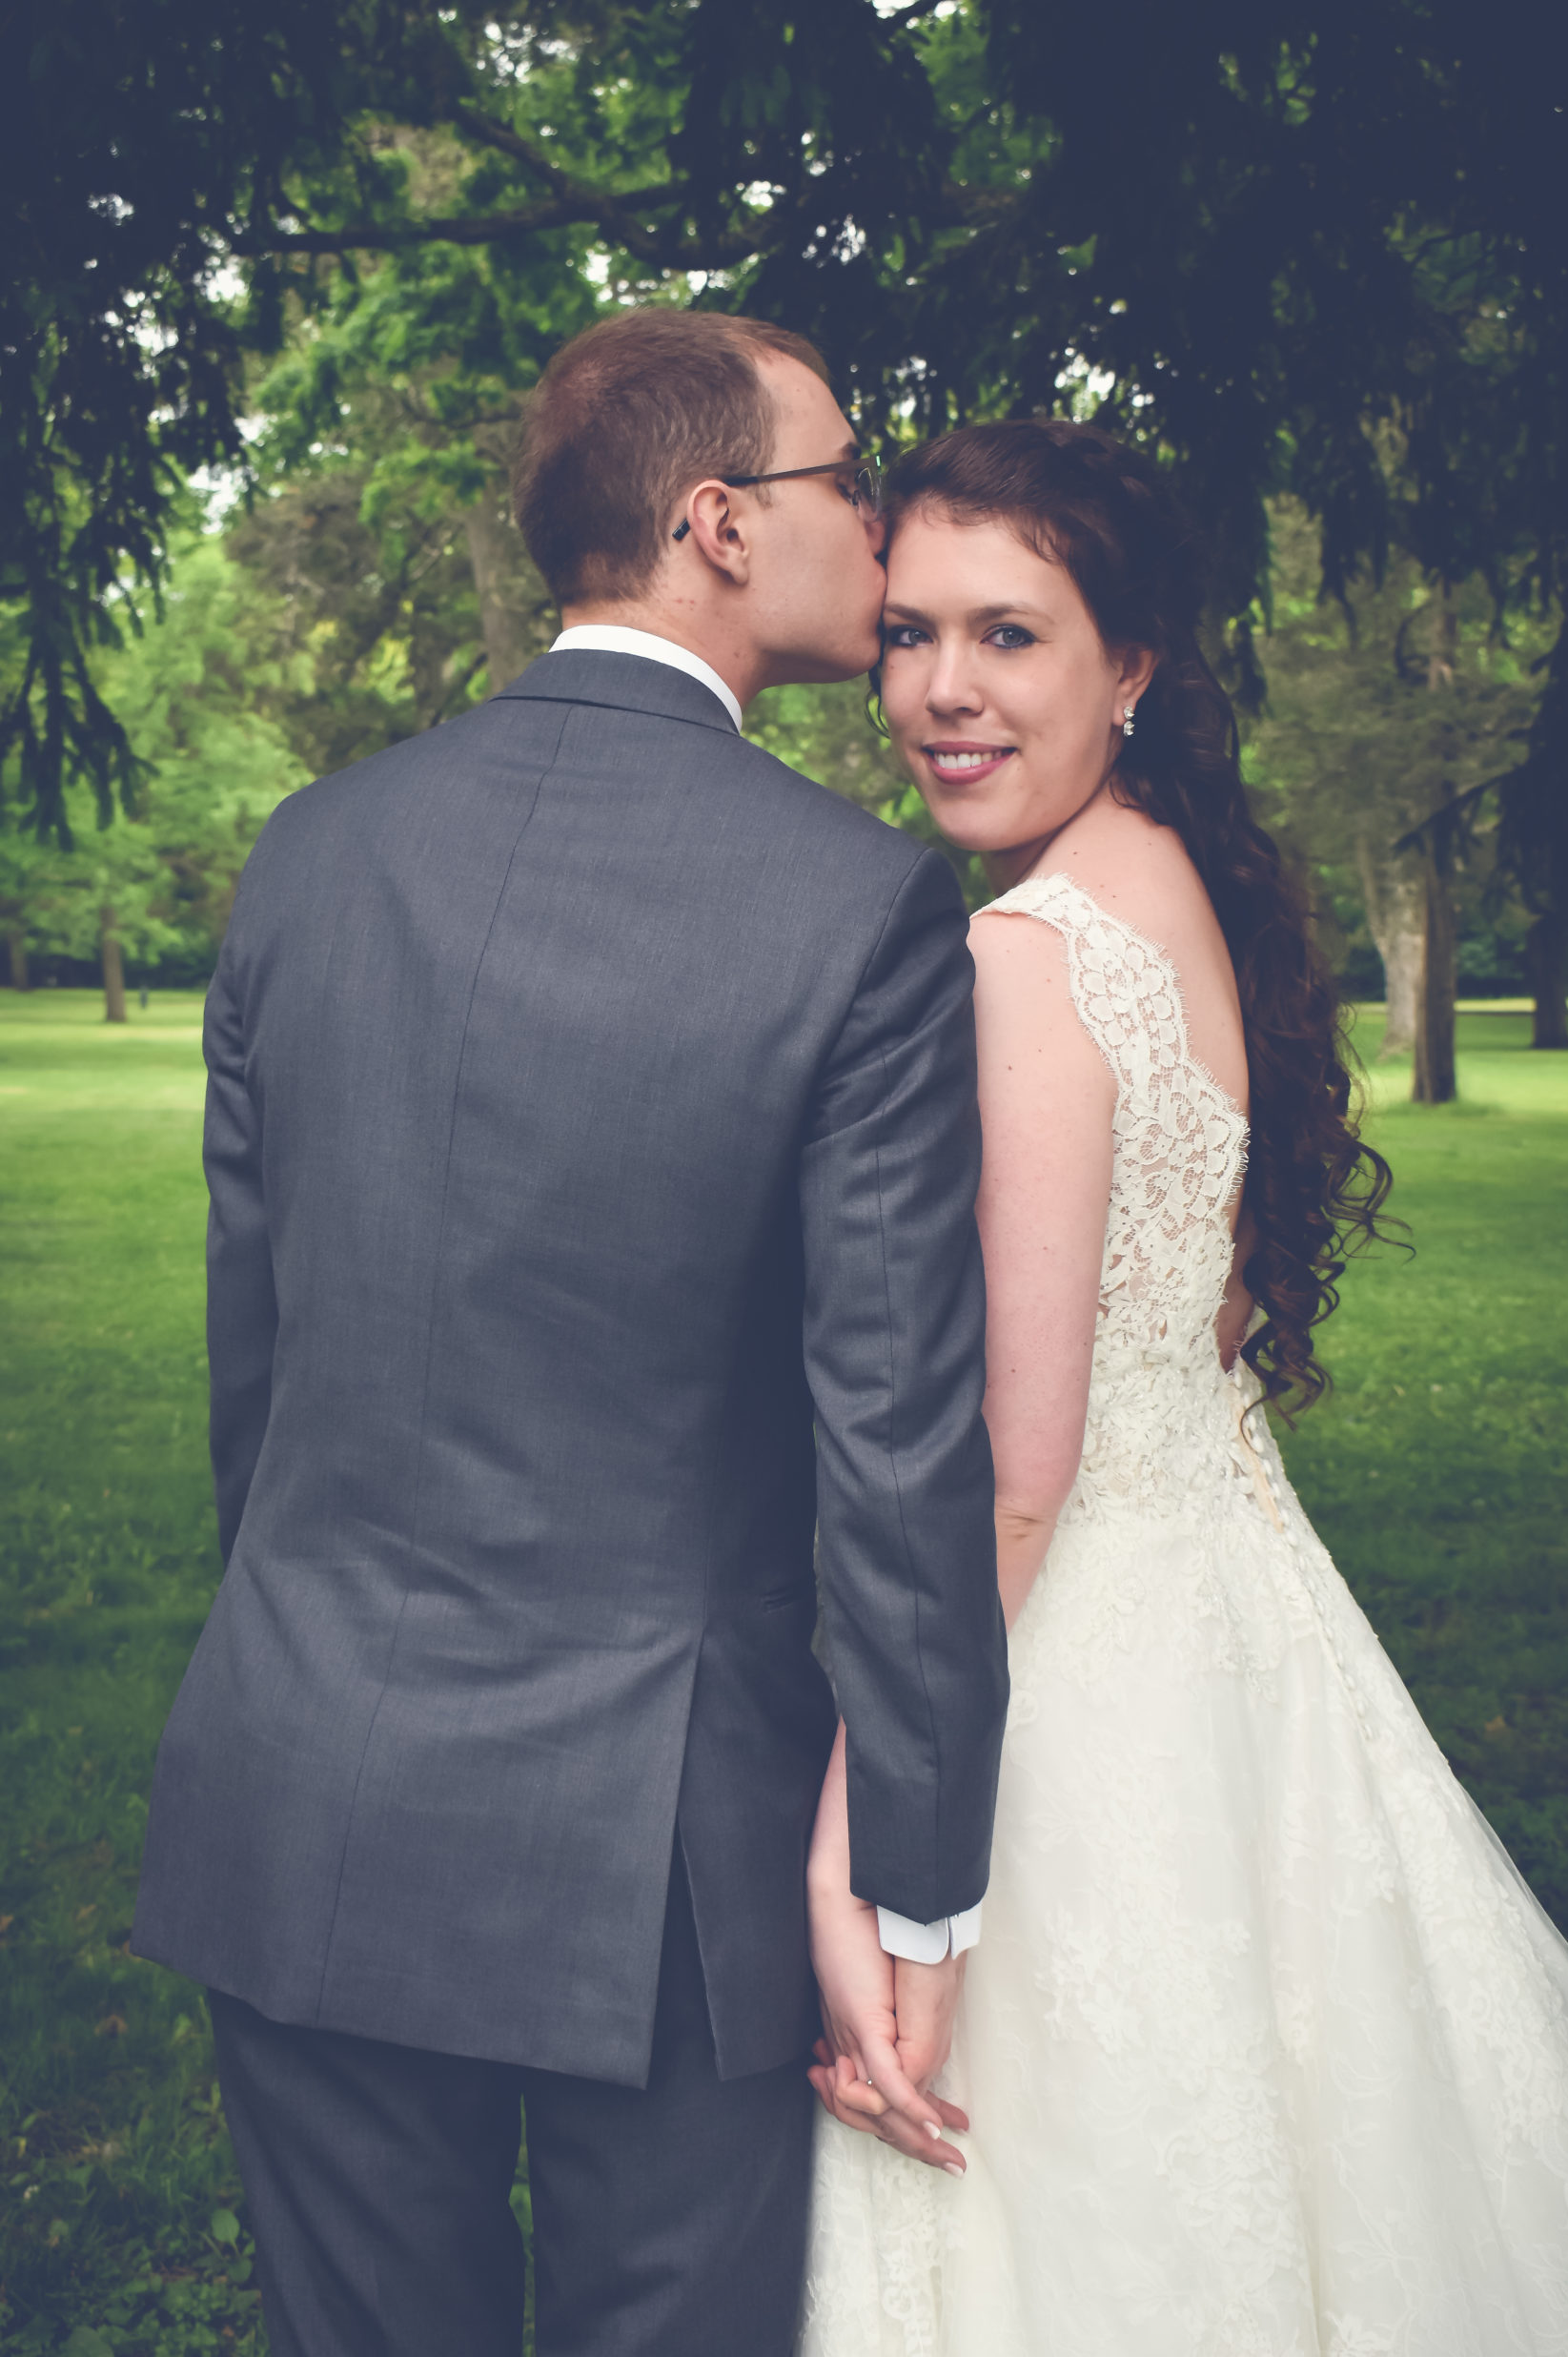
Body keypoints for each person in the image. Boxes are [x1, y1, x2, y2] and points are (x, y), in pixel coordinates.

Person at [132, 308, 1008, 2357]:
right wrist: (919, 1884)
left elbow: (255, 1380)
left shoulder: (311, 853)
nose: (873, 531)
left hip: (302, 1783)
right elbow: (895, 1448)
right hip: (662, 1864)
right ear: (716, 521)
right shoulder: (856, 906)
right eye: (843, 482)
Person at [801, 418, 1568, 2355]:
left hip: (1077, 1662)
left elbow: (1023, 1461)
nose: (937, 690)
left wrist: (867, 1824)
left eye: (1008, 635)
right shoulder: (1166, 873)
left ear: (1133, 660)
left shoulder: (1024, 950)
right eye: (909, 632)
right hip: (1238, 1620)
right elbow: (1206, 1324)